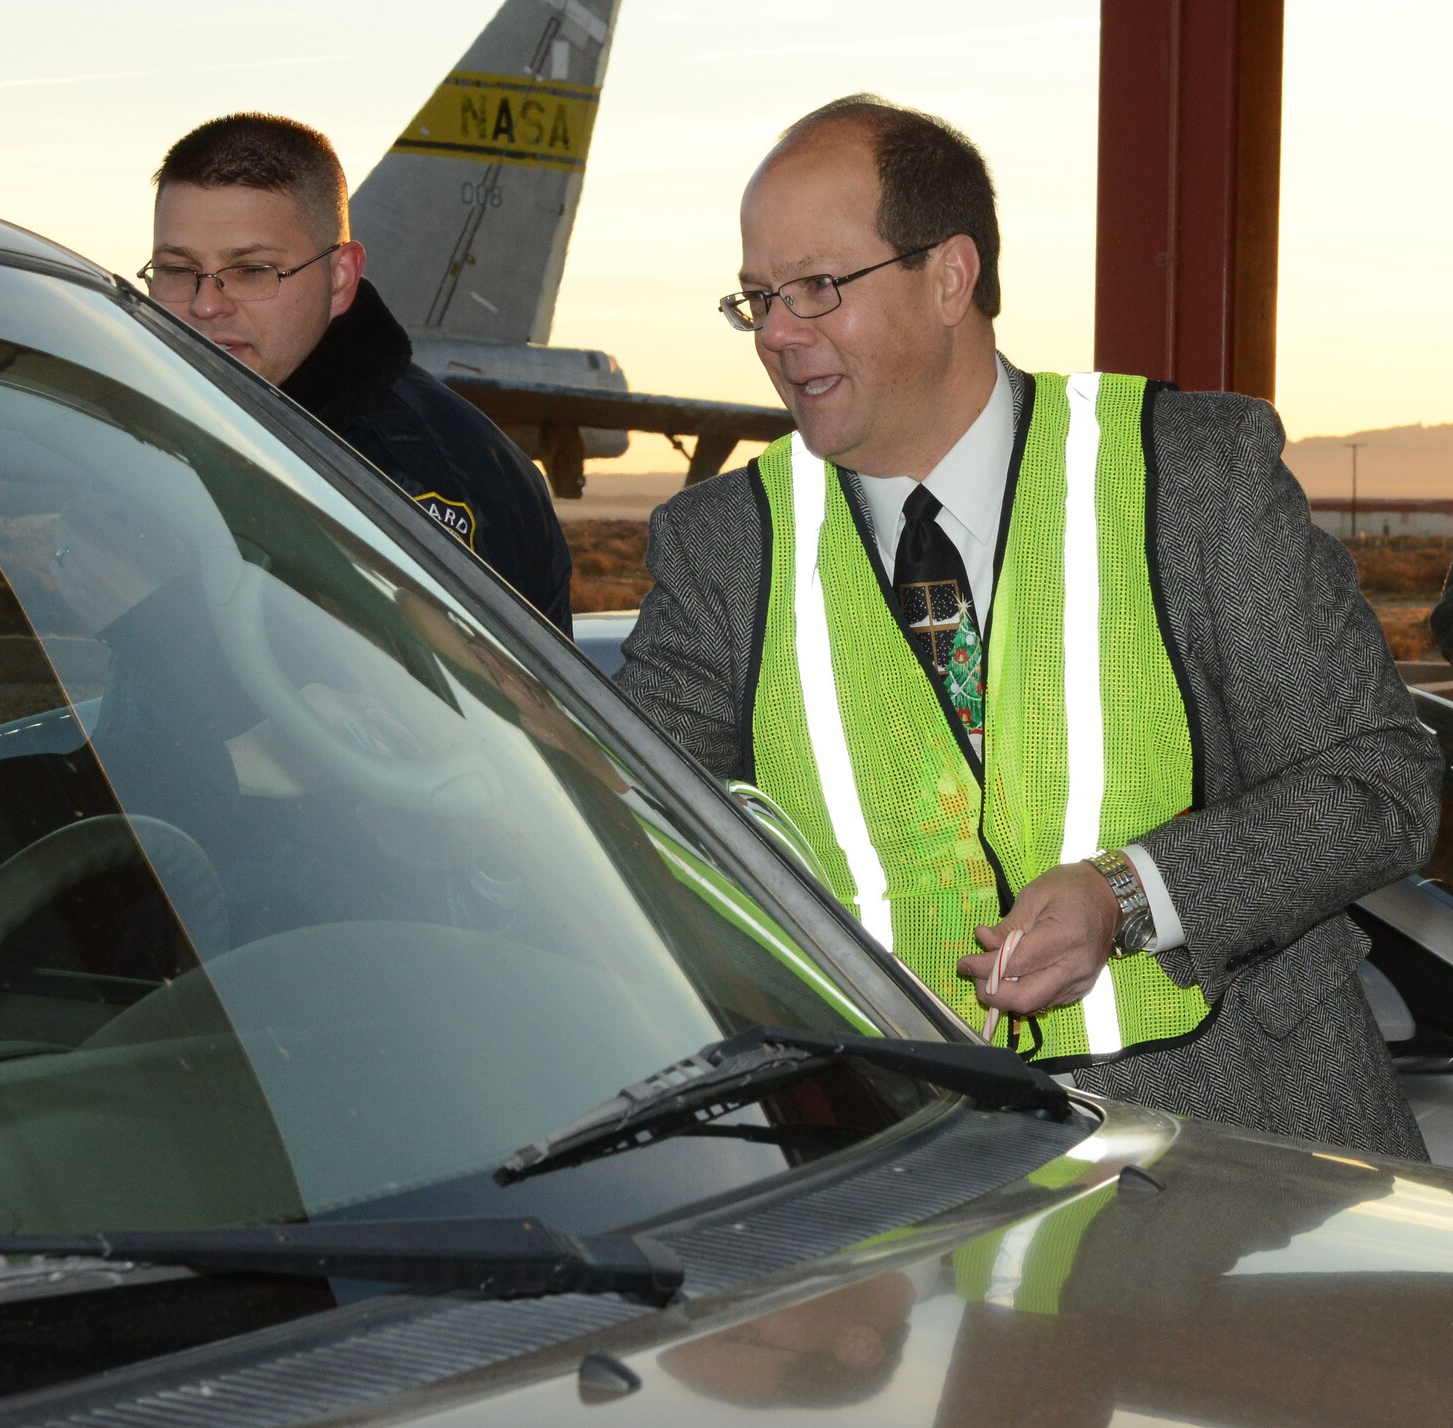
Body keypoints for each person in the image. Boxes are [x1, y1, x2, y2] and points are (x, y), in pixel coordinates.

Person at [617, 95, 1440, 1158]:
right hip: (894, 1203)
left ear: (949, 275)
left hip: (1250, 1178)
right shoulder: (721, 547)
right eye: (757, 297)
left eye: (818, 287)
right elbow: (630, 834)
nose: (776, 334)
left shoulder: (1192, 478)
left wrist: (1130, 893)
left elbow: (1379, 782)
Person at [141, 112, 574, 633]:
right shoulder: (141, 414)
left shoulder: (412, 477)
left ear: (340, 278)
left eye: (252, 271)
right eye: (178, 271)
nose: (206, 304)